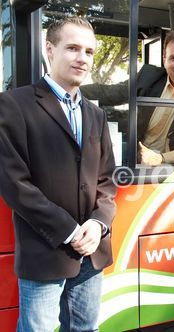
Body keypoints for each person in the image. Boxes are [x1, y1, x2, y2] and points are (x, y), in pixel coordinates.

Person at [0, 17, 116, 331]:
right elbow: (14, 184)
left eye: (90, 51)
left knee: (85, 328)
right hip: (45, 250)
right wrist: (69, 230)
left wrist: (98, 222)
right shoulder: (13, 105)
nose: (83, 58)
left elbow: (107, 180)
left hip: (93, 251)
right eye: (73, 48)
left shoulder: (96, 114)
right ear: (50, 50)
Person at [82, 29, 174, 166]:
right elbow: (109, 93)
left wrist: (161, 158)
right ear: (164, 60)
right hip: (135, 161)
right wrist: (69, 90)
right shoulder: (148, 77)